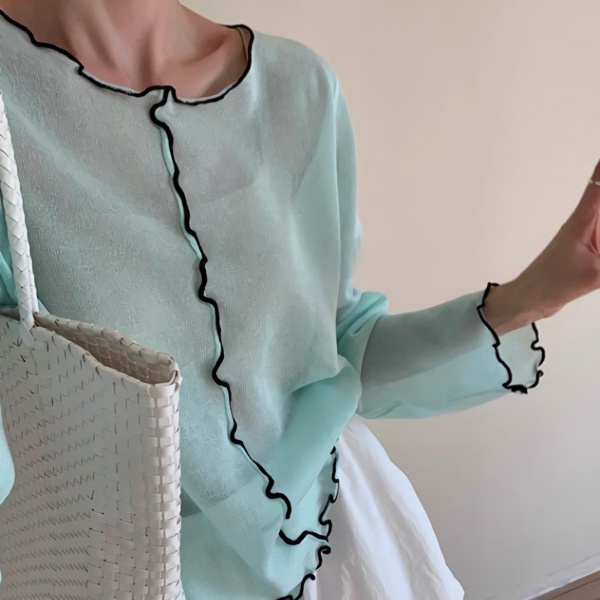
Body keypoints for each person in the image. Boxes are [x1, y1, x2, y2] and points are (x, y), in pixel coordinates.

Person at [0, 1, 597, 599]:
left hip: (331, 543)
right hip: (115, 577)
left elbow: (341, 353)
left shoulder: (300, 88)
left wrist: (538, 293)